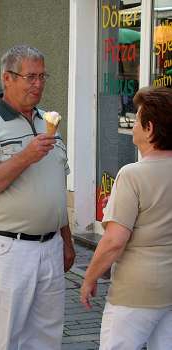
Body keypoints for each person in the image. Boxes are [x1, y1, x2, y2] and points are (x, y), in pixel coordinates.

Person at [0, 45, 75, 350]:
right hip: (8, 249)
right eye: (30, 77)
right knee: (6, 339)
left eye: (42, 76)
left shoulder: (48, 123)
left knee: (47, 338)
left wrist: (66, 239)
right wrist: (25, 157)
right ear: (7, 78)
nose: (38, 84)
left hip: (51, 248)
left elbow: (56, 186)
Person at [80, 86, 172, 350]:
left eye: (137, 117)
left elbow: (114, 241)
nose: (132, 123)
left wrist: (90, 278)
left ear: (150, 128)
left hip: (135, 293)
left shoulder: (132, 175)